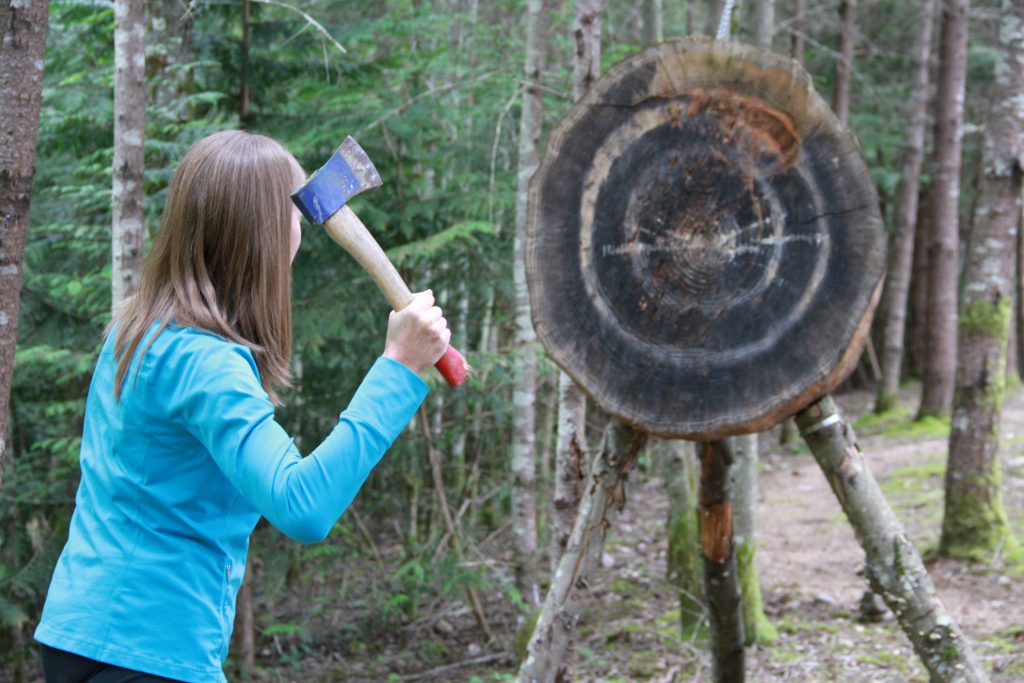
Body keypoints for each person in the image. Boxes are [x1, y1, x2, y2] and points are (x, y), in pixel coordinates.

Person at [33, 130, 451, 682]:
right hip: (149, 654)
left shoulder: (137, 328)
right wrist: (397, 367)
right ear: (267, 233)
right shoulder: (208, 363)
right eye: (295, 212)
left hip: (77, 636)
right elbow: (303, 505)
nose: (303, 227)